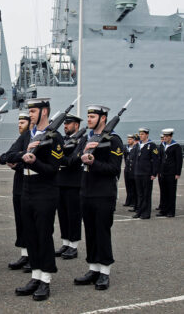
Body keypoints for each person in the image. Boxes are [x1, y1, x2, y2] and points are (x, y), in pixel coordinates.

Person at [7, 98, 64, 302]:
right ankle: (35, 276)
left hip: (45, 191)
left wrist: (35, 162)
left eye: (34, 111)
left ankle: (46, 280)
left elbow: (52, 170)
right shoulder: (28, 136)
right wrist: (24, 155)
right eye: (29, 111)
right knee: (29, 233)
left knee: (43, 235)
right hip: (26, 189)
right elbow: (7, 155)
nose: (30, 114)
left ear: (45, 112)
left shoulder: (54, 137)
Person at [74, 104, 123, 291]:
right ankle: (93, 268)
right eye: (88, 116)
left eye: (93, 116)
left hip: (104, 194)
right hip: (87, 192)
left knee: (102, 232)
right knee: (91, 232)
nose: (89, 120)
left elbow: (114, 169)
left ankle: (105, 271)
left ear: (103, 118)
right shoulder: (88, 138)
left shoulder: (113, 140)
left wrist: (94, 162)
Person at [2, 112, 30, 270]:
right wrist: (21, 157)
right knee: (21, 222)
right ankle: (25, 254)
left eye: (23, 122)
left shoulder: (33, 138)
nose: (19, 125)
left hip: (32, 184)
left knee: (31, 223)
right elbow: (5, 157)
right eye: (19, 122)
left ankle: (33, 255)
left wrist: (18, 162)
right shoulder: (21, 139)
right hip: (19, 185)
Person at [55, 114, 85, 260]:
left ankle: (73, 246)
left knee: (74, 215)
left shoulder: (81, 140)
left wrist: (59, 159)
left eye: (69, 124)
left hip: (74, 183)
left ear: (76, 125)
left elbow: (73, 160)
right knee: (63, 215)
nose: (65, 126)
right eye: (65, 124)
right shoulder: (63, 140)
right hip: (60, 182)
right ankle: (65, 243)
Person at [133, 127, 159, 219]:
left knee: (146, 194)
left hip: (146, 173)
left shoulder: (151, 145)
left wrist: (154, 173)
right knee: (139, 193)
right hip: (138, 173)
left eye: (142, 134)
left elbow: (156, 160)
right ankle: (139, 211)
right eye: (140, 134)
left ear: (147, 135)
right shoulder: (137, 145)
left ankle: (146, 213)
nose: (141, 136)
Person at [157, 128, 182, 217]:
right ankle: (163, 210)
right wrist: (158, 171)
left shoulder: (176, 146)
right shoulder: (162, 146)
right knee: (163, 192)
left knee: (171, 192)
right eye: (164, 136)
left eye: (167, 136)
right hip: (162, 172)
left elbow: (179, 161)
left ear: (171, 137)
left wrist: (177, 173)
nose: (165, 138)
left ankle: (171, 211)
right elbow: (159, 159)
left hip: (171, 173)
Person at [123, 134, 137, 208]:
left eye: (130, 139)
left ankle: (133, 201)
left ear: (134, 140)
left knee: (133, 186)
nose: (129, 141)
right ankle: (128, 200)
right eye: (128, 139)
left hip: (133, 169)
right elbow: (125, 158)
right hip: (127, 169)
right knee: (128, 185)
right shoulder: (126, 148)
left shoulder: (135, 148)